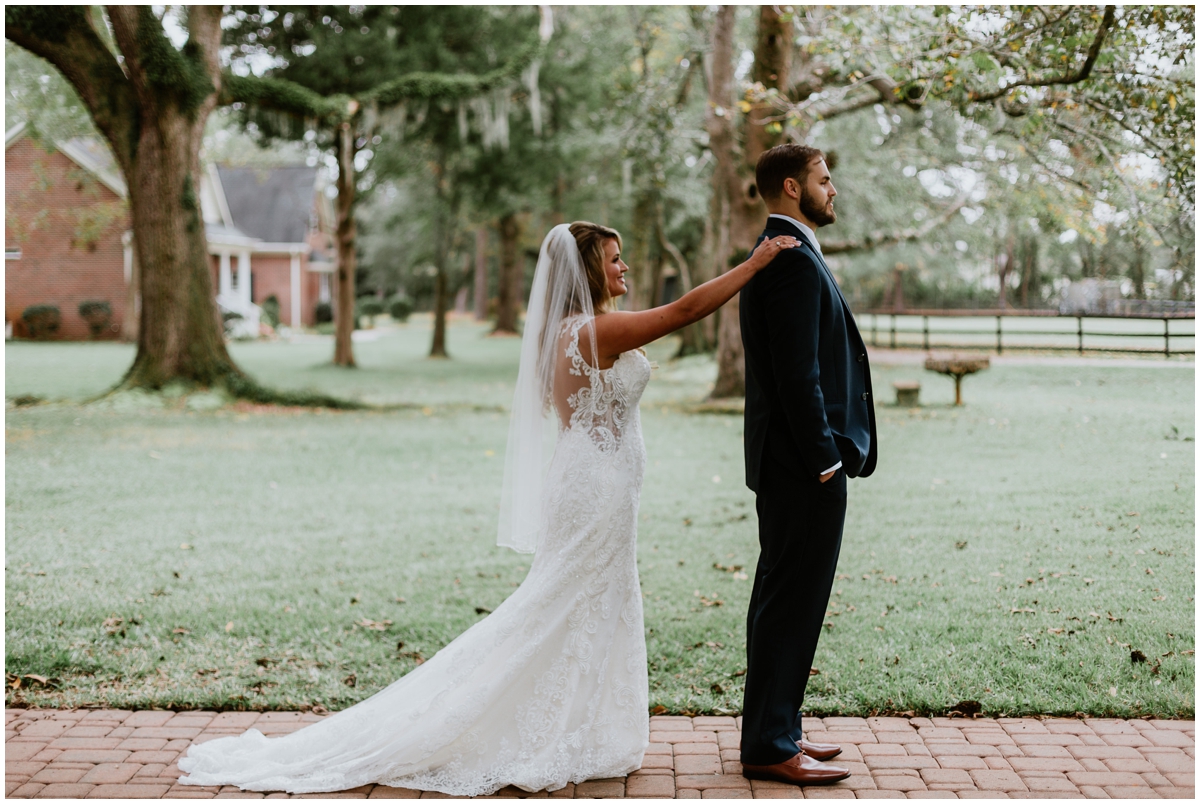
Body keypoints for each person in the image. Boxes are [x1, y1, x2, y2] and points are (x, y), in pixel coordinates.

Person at [178, 222, 798, 796]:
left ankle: (583, 724)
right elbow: (684, 311)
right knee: (559, 605)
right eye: (614, 260)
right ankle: (510, 724)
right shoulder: (591, 331)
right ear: (587, 270)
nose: (625, 266)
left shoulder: (570, 332)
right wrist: (756, 261)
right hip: (596, 488)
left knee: (585, 603)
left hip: (592, 480)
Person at [737, 143, 878, 787]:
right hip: (802, 465)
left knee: (788, 598)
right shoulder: (790, 260)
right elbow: (797, 374)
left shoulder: (789, 250)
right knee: (789, 599)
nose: (834, 189)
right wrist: (825, 458)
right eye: (826, 179)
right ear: (793, 188)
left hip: (795, 462)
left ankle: (779, 728)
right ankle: (768, 745)